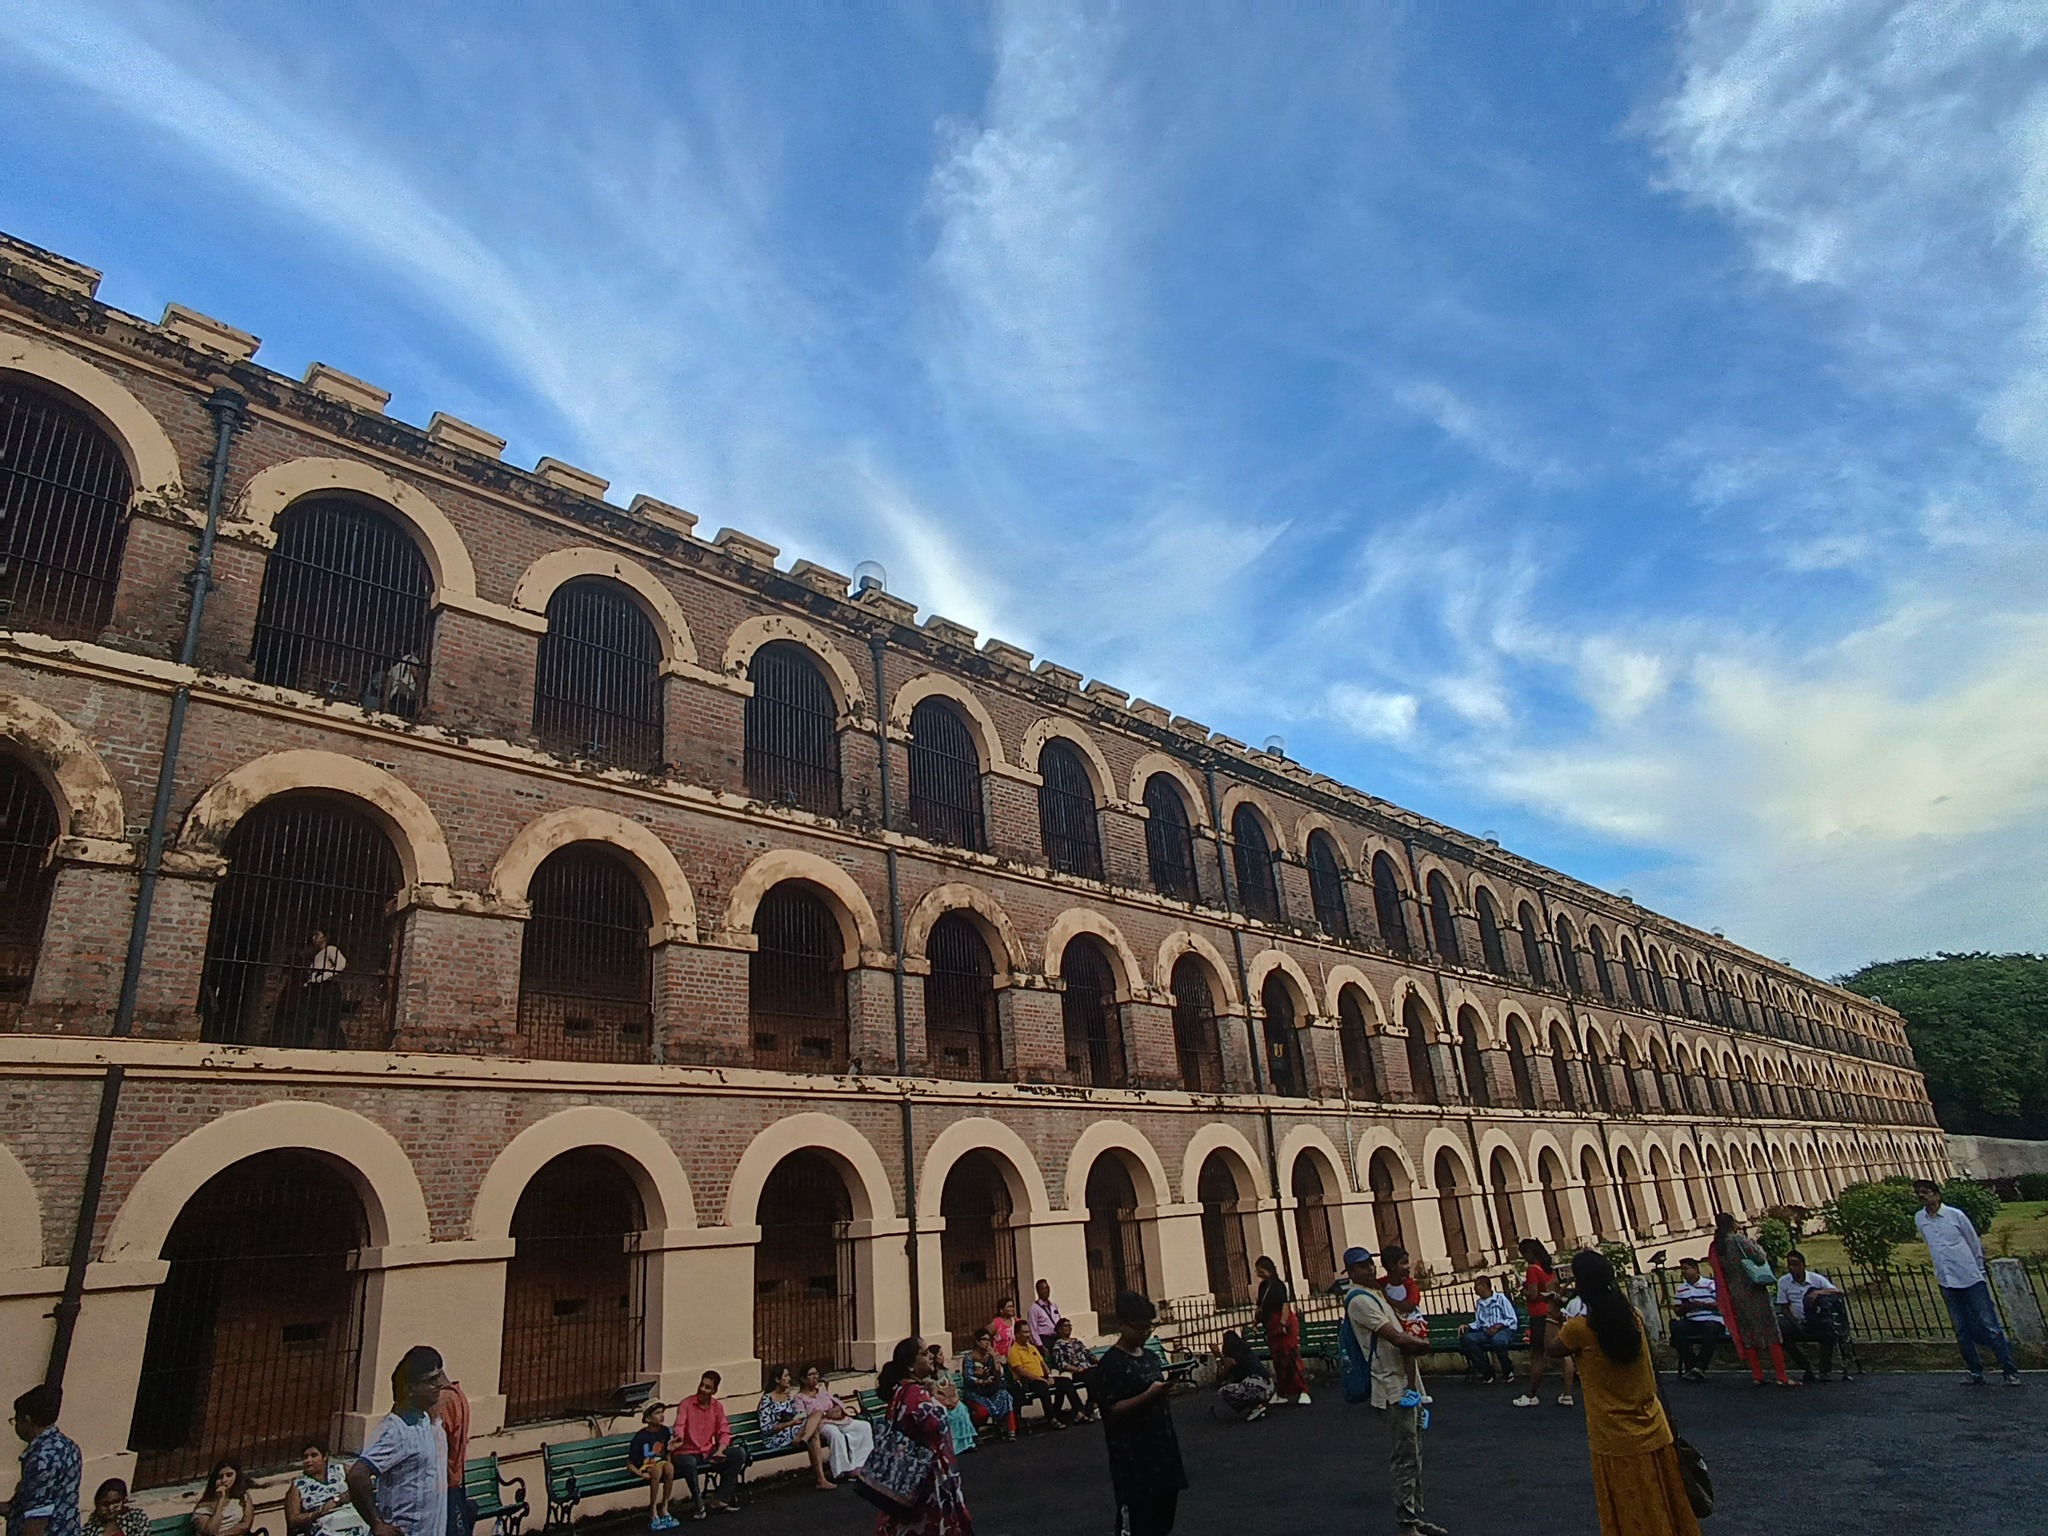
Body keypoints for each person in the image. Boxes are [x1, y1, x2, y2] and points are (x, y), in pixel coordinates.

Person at [1546, 1250, 1701, 1536]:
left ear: (1581, 1285)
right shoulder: (1633, 1317)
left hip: (1613, 1436)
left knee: (1630, 1514)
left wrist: (1554, 1311)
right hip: (1653, 1427)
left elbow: (1552, 1348)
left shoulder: (1579, 1329)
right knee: (1664, 1506)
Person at [1341, 1248, 1441, 1536]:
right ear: (1351, 1272)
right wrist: (1420, 1344)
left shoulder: (1375, 1295)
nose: (1370, 1270)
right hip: (1391, 1385)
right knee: (1405, 1455)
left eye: (1371, 1264)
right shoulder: (1360, 1300)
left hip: (1404, 1383)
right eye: (1362, 1266)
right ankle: (1407, 1523)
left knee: (1415, 1452)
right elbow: (1394, 1336)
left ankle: (1415, 1515)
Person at [1094, 1292, 1186, 1536]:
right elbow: (1110, 1411)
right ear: (1122, 1325)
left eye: (1149, 1327)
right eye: (1139, 1328)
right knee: (1138, 1523)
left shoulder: (1151, 1357)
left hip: (1162, 1450)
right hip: (1133, 1459)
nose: (1145, 1333)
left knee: (1163, 1521)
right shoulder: (1111, 1365)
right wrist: (1149, 1395)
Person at [1914, 1178, 2021, 1386]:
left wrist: (1979, 1269)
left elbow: (1973, 1242)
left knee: (1990, 1325)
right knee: (1961, 1330)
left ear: (1936, 1195)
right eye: (1918, 1193)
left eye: (1926, 1192)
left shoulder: (1955, 1215)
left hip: (1970, 1277)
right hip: (1946, 1280)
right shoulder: (1920, 1219)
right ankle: (1975, 1372)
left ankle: (2010, 1371)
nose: (1922, 1196)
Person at [871, 1337, 973, 1536]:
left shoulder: (900, 1391)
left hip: (906, 1473)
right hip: (924, 1477)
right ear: (911, 1365)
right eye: (925, 1354)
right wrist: (934, 1399)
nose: (931, 1358)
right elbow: (935, 1425)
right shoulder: (916, 1395)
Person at [348, 1345, 450, 1536]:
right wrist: (377, 1523)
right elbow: (357, 1476)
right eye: (430, 1380)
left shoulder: (429, 1421)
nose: (438, 1385)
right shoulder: (396, 1431)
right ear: (410, 1389)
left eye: (438, 1377)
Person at [1708, 1213, 1793, 1387]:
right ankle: (1781, 1375)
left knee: (1748, 1333)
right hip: (1752, 1290)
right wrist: (1755, 1243)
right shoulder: (1738, 1240)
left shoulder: (1717, 1246)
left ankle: (1757, 1374)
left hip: (1734, 1293)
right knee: (1770, 1331)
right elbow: (1760, 1257)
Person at [672, 1372, 750, 1517]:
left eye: (708, 1387)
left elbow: (724, 1431)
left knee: (738, 1453)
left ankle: (719, 1498)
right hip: (686, 1452)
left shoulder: (717, 1406)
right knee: (688, 1463)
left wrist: (721, 1450)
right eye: (701, 1385)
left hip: (707, 1451)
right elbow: (679, 1425)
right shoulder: (686, 1404)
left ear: (714, 1391)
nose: (702, 1389)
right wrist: (679, 1437)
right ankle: (698, 1503)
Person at [5, 1386, 80, 1536]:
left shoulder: (42, 1460)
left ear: (27, 1420)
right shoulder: (69, 1446)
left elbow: (37, 1519)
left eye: (16, 1420)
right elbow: (24, 1502)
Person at [794, 1365, 875, 1484]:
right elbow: (802, 1417)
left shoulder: (822, 1391)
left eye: (816, 1373)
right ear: (803, 1379)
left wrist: (837, 1410)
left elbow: (837, 1404)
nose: (815, 1377)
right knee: (835, 1434)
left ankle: (861, 1463)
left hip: (837, 1420)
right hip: (821, 1424)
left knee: (864, 1426)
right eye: (811, 1375)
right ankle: (842, 1470)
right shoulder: (799, 1398)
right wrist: (825, 1414)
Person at [1775, 1251, 1846, 1383]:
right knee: (1783, 1336)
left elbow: (1837, 1292)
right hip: (1797, 1321)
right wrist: (1794, 1322)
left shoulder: (1816, 1279)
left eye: (1795, 1264)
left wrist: (1817, 1293)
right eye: (1790, 1265)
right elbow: (1784, 1307)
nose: (1792, 1268)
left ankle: (1825, 1370)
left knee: (1828, 1334)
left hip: (1816, 1320)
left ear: (1802, 1265)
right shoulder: (1784, 1282)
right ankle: (1807, 1367)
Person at [1254, 1255, 1309, 1404]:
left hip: (1281, 1324)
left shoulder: (1278, 1285)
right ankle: (1283, 1391)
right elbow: (1260, 1307)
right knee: (1278, 1360)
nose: (1258, 1273)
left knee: (1290, 1356)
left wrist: (1283, 1324)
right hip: (1271, 1324)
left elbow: (1285, 1305)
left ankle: (1302, 1389)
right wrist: (1256, 1322)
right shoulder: (1262, 1287)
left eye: (1260, 1270)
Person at [1513, 1238, 1558, 1408]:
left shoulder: (1532, 1269)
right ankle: (1567, 1392)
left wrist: (1523, 1289)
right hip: (1551, 1311)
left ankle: (1532, 1394)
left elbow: (1532, 1294)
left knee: (1537, 1355)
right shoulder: (1547, 1268)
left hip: (1538, 1314)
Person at [289, 1445, 371, 1536]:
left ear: (325, 1457)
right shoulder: (299, 1484)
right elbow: (293, 1518)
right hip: (325, 1525)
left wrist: (337, 1500)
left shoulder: (342, 1470)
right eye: (305, 1457)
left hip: (353, 1517)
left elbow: (360, 1489)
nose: (308, 1460)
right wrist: (316, 1513)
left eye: (314, 1455)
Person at [1667, 1259, 1724, 1382]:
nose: (1683, 1272)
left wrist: (1702, 1304)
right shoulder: (1681, 1289)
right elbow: (1677, 1310)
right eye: (1681, 1269)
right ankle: (1690, 1364)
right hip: (1692, 1320)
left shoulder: (1710, 1285)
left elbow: (1722, 1304)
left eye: (1686, 1269)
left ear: (1695, 1270)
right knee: (1676, 1326)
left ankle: (1700, 1366)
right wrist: (1686, 1307)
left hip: (1711, 1318)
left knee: (1709, 1329)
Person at [1457, 1275, 1518, 1383]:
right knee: (1468, 1339)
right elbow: (1479, 1322)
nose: (1474, 1289)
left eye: (1477, 1286)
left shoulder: (1501, 1299)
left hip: (1503, 1330)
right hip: (1486, 1331)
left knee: (1498, 1341)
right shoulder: (1479, 1303)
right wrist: (1468, 1326)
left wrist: (1498, 1326)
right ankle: (1487, 1372)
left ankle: (1507, 1371)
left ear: (1485, 1286)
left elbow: (1511, 1319)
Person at [626, 1402, 678, 1526]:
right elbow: (630, 1463)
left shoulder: (665, 1431)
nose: (662, 1416)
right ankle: (653, 1508)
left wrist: (669, 1462)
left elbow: (666, 1453)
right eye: (657, 1413)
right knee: (656, 1470)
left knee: (669, 1467)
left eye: (662, 1412)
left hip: (659, 1463)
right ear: (648, 1418)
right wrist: (640, 1474)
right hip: (645, 1466)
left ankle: (665, 1506)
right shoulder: (640, 1437)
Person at [960, 1330, 1017, 1441]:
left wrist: (995, 1358)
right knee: (983, 1412)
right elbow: (968, 1377)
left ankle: (1011, 1430)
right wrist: (982, 1382)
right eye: (984, 1340)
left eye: (988, 1340)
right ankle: (974, 1429)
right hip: (975, 1391)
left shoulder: (990, 1356)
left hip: (990, 1389)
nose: (987, 1343)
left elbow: (998, 1374)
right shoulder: (969, 1358)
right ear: (977, 1342)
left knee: (1005, 1396)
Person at [1005, 1329, 1065, 1427]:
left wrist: (1049, 1376)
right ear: (1017, 1335)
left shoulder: (1032, 1347)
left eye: (1028, 1332)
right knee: (1043, 1387)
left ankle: (1073, 1412)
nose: (1028, 1335)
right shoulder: (1014, 1351)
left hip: (1043, 1377)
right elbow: (1020, 1371)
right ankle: (1051, 1418)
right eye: (1025, 1332)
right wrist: (1039, 1379)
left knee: (1065, 1382)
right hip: (1028, 1381)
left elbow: (1043, 1363)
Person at [924, 1348, 978, 1455]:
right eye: (940, 1354)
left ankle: (967, 1443)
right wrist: (944, 1402)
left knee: (961, 1409)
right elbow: (931, 1395)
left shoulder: (945, 1372)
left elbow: (953, 1386)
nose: (943, 1357)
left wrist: (955, 1399)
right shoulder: (928, 1376)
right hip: (939, 1403)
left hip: (951, 1400)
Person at [436, 1376, 471, 1536]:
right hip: (456, 1478)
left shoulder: (444, 1399)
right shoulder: (458, 1395)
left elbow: (439, 1441)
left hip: (445, 1481)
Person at [1046, 1317, 1098, 1421]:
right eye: (1066, 1326)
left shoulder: (1077, 1341)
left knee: (1097, 1373)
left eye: (1070, 1325)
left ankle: (1092, 1404)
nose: (1069, 1328)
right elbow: (1061, 1364)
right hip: (1073, 1372)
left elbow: (1088, 1354)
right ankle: (1091, 1406)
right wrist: (1076, 1369)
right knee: (1090, 1375)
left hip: (1086, 1368)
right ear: (1059, 1329)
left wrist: (1096, 1360)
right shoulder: (1058, 1345)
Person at [755, 1366, 809, 1466]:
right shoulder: (767, 1400)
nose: (789, 1379)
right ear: (777, 1379)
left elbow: (796, 1415)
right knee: (812, 1430)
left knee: (812, 1425)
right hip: (776, 1438)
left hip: (792, 1432)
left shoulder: (788, 1397)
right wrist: (790, 1423)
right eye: (786, 1376)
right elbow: (766, 1428)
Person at [1216, 1330, 1275, 1421]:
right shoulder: (1246, 1353)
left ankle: (1255, 1407)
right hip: (1269, 1386)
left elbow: (1221, 1375)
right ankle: (1258, 1404)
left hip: (1256, 1387)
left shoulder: (1232, 1356)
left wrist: (1218, 1357)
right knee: (1244, 1385)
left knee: (1224, 1391)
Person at [193, 1462, 253, 1536]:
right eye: (219, 1477)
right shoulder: (204, 1506)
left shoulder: (243, 1498)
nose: (224, 1480)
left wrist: (222, 1535)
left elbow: (245, 1525)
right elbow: (210, 1533)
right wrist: (220, 1501)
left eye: (229, 1475)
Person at [84, 1482, 149, 1536]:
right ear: (97, 1505)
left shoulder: (135, 1518)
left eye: (116, 1502)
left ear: (123, 1501)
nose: (111, 1508)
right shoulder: (88, 1531)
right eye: (105, 1504)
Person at [1025, 1279, 1063, 1355]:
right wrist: (1040, 1345)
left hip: (1057, 1337)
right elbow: (1033, 1329)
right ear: (1038, 1291)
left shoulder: (1053, 1306)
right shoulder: (1034, 1309)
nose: (1046, 1291)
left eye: (1047, 1288)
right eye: (1043, 1289)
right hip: (1045, 1339)